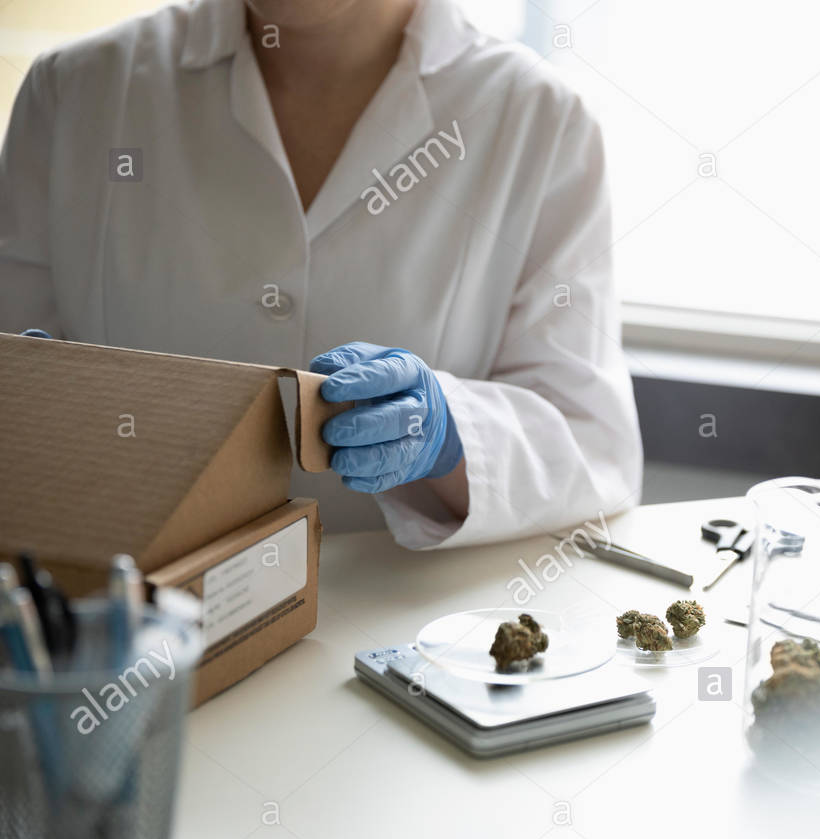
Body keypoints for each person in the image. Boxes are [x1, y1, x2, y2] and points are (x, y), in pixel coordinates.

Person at [0, 0, 642, 548]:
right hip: (124, 638)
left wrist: (452, 431)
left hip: (397, 656)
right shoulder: (78, 89)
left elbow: (592, 449)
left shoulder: (539, 119)